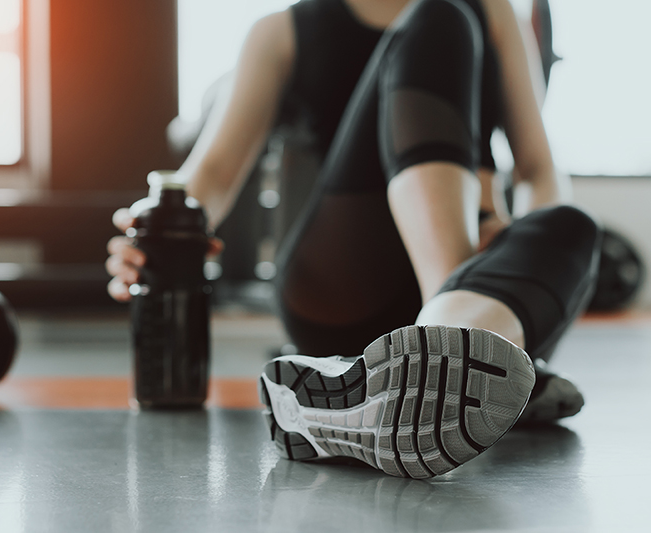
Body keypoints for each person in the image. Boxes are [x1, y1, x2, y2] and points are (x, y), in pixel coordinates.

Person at [106, 0, 601, 478]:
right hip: (347, 281)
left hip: (477, 256)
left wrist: (512, 234)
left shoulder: (492, 7)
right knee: (440, 15)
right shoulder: (281, 29)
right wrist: (145, 235)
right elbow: (209, 177)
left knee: (568, 225)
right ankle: (453, 346)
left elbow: (538, 168)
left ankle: (416, 365)